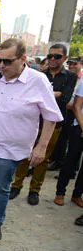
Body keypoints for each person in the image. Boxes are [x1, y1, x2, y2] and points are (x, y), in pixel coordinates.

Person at [0, 39, 63, 244]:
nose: (1, 66)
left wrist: (41, 147)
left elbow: (51, 116)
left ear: (23, 59)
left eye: (7, 61)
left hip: (9, 151)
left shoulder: (38, 81)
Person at [9, 44, 77, 205]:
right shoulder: (40, 75)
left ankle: (34, 190)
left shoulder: (70, 77)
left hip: (53, 125)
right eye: (50, 56)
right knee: (24, 155)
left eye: (57, 56)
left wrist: (44, 94)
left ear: (65, 58)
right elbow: (30, 97)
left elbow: (65, 98)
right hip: (32, 121)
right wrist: (52, 94)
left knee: (43, 158)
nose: (52, 59)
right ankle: (16, 185)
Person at [54, 80, 83, 208]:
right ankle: (60, 193)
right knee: (71, 160)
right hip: (79, 127)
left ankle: (77, 194)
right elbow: (76, 107)